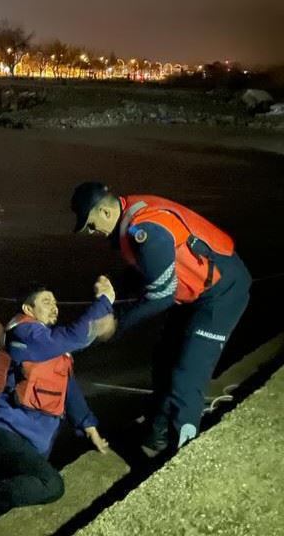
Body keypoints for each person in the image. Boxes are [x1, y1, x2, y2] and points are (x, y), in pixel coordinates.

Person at [70, 182, 252, 455]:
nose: (94, 233)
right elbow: (152, 270)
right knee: (165, 359)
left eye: (92, 225)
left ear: (106, 213)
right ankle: (157, 434)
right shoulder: (132, 218)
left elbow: (162, 295)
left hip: (222, 292)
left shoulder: (146, 230)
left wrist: (117, 324)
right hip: (193, 293)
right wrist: (115, 283)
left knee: (186, 376)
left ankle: (184, 455)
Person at [0, 279, 116, 529]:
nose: (55, 307)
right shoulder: (24, 334)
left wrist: (88, 426)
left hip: (24, 442)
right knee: (50, 485)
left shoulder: (48, 346)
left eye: (56, 303)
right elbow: (74, 336)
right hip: (2, 434)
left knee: (3, 503)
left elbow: (68, 389)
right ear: (28, 310)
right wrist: (104, 303)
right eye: (46, 302)